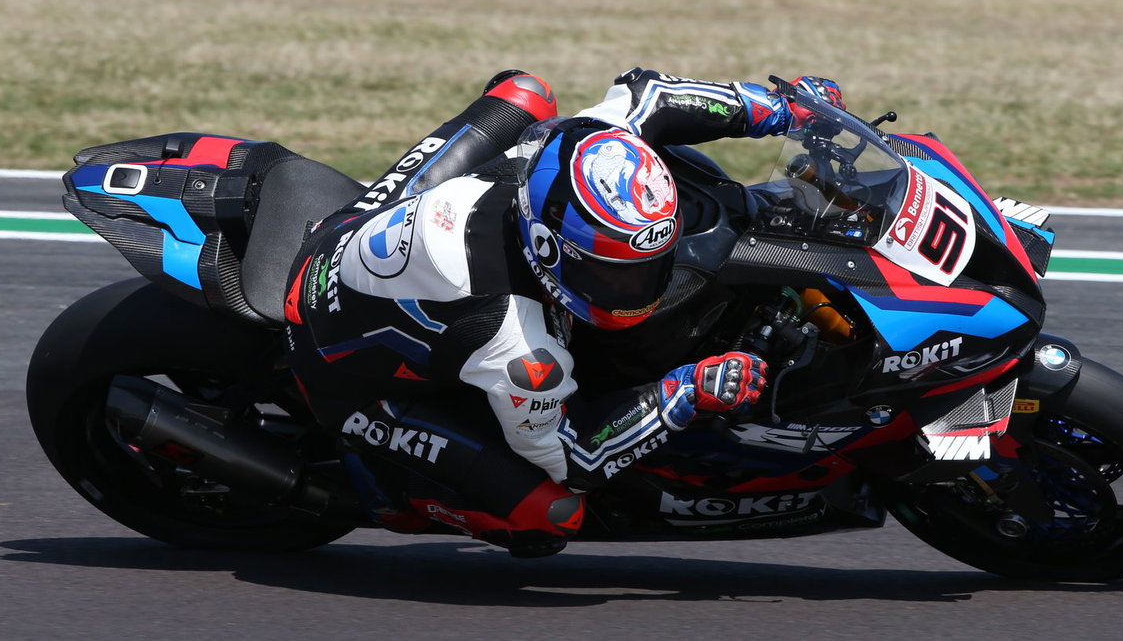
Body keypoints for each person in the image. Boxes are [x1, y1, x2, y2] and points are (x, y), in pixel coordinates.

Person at [283, 68, 844, 557]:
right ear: (547, 249)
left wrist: (780, 108)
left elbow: (652, 95)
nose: (643, 286)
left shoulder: (584, 143)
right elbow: (572, 458)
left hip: (364, 228)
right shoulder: (518, 345)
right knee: (548, 514)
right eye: (616, 274)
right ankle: (389, 486)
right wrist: (685, 391)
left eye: (650, 265)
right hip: (335, 369)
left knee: (525, 91)